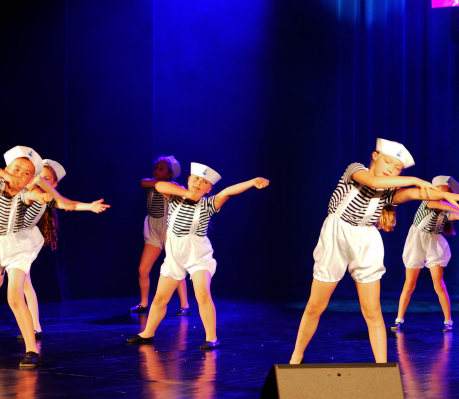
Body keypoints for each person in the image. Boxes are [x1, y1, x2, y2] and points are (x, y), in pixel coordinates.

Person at [289, 139, 459, 365]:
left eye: (397, 168)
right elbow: (374, 181)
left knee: (373, 310)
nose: (391, 169)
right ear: (375, 156)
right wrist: (416, 180)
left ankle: (382, 368)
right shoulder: (355, 170)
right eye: (388, 162)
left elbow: (414, 195)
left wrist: (445, 198)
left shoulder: (387, 194)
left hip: (366, 241)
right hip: (337, 234)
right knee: (316, 305)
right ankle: (296, 357)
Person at [127, 162, 269, 349]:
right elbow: (159, 185)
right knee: (160, 298)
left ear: (209, 188)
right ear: (188, 180)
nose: (198, 183)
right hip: (175, 256)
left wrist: (252, 182)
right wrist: (187, 194)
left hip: (198, 257)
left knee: (202, 293)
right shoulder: (175, 198)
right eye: (195, 179)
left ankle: (212, 337)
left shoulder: (208, 205)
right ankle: (148, 333)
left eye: (204, 182)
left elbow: (227, 192)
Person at [0, 146, 109, 368]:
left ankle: (31, 350)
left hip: (17, 247)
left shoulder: (27, 194)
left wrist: (89, 206)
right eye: (16, 169)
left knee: (15, 296)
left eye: (27, 173)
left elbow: (60, 202)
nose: (21, 175)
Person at [393, 175, 459, 333]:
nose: (443, 196)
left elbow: (453, 214)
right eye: (440, 192)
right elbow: (440, 204)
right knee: (409, 284)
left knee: (439, 284)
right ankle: (399, 319)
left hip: (433, 244)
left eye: (446, 193)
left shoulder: (445, 212)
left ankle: (448, 320)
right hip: (416, 243)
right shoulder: (427, 202)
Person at [130, 156, 190, 316]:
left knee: (175, 267)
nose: (156, 170)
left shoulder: (174, 187)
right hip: (153, 229)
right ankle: (143, 303)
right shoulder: (149, 183)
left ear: (169, 174)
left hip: (169, 228)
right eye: (156, 167)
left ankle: (185, 305)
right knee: (142, 269)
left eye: (161, 169)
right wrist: (165, 184)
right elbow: (143, 183)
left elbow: (183, 195)